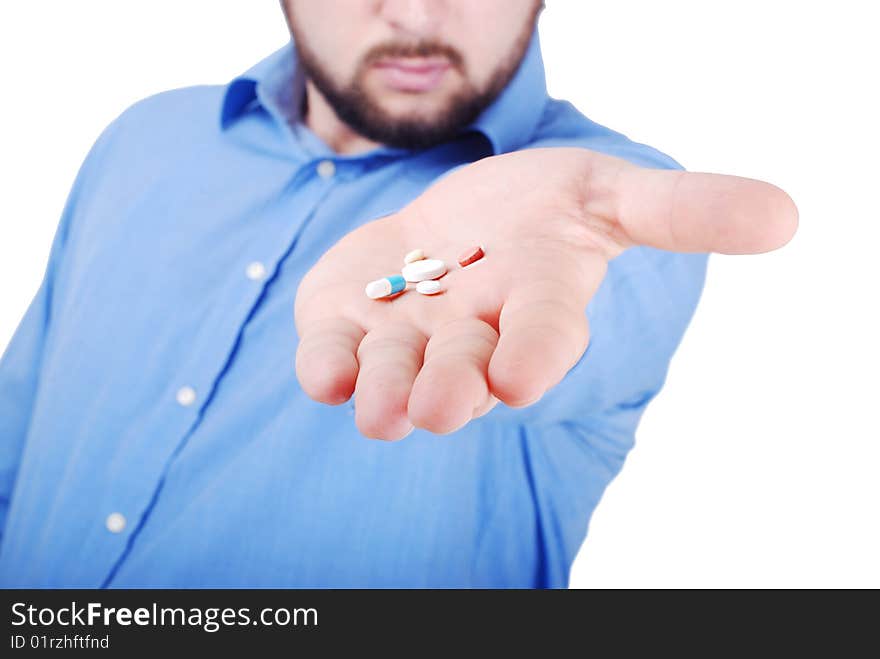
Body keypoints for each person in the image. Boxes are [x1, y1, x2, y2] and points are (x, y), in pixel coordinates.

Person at [0, 1, 796, 587]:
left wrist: (570, 249)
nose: (416, 12)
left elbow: (595, 313)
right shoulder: (144, 140)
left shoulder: (607, 214)